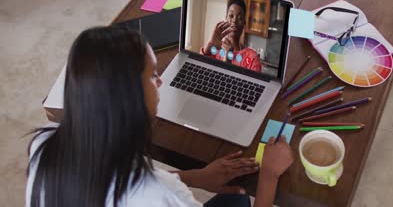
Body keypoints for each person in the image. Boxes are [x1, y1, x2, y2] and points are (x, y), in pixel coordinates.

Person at [26, 26, 294, 207]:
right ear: (130, 99)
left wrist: (196, 177)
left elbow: (116, 183)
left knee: (235, 200)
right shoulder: (161, 196)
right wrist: (269, 176)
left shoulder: (45, 145)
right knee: (241, 199)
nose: (161, 82)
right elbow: (152, 190)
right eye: (153, 76)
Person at [201, 0, 262, 72]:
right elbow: (199, 73)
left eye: (239, 18)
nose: (234, 21)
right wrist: (209, 45)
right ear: (226, 18)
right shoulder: (215, 50)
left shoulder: (252, 57)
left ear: (244, 23)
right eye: (231, 16)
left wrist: (228, 59)